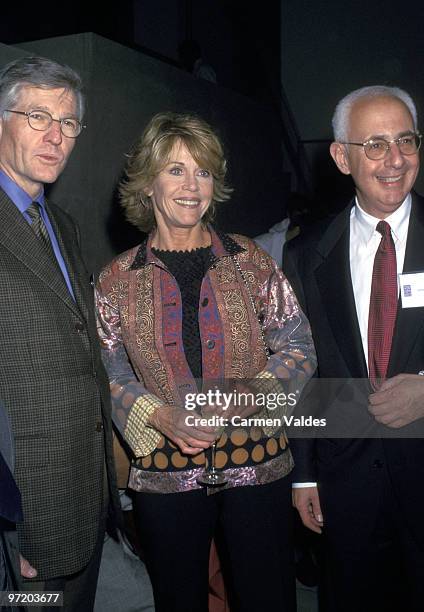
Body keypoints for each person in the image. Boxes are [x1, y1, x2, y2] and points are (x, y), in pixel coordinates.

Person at [95, 111, 316, 612]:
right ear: (148, 183)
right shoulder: (115, 280)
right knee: (179, 599)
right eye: (175, 170)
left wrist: (249, 395)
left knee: (268, 598)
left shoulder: (251, 261)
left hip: (256, 465)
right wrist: (159, 415)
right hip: (165, 474)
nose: (192, 185)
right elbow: (108, 369)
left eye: (203, 171)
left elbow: (299, 346)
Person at [284, 85, 424, 612]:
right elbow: (302, 374)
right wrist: (304, 472)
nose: (395, 159)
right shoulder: (304, 255)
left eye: (406, 140)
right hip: (346, 486)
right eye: (376, 144)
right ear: (341, 156)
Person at [0, 56, 118, 611]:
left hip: (84, 500)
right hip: (23, 517)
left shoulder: (63, 225)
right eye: (37, 116)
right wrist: (7, 519)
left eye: (68, 123)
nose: (56, 136)